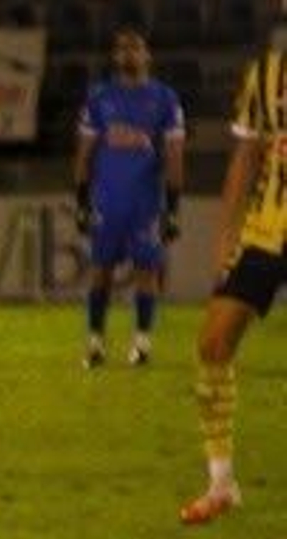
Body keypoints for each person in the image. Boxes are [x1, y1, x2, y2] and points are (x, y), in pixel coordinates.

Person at [182, 45, 285, 525]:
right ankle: (222, 483)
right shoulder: (266, 73)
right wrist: (226, 239)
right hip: (268, 229)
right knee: (213, 343)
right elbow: (244, 158)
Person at [73, 27, 186, 368]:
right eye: (121, 48)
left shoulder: (165, 99)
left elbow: (175, 155)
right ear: (114, 56)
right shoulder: (99, 97)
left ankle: (141, 344)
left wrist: (173, 208)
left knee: (147, 271)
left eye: (135, 48)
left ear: (147, 55)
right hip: (106, 201)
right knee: (100, 271)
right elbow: (84, 153)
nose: (128, 54)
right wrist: (81, 201)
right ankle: (95, 343)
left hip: (145, 203)